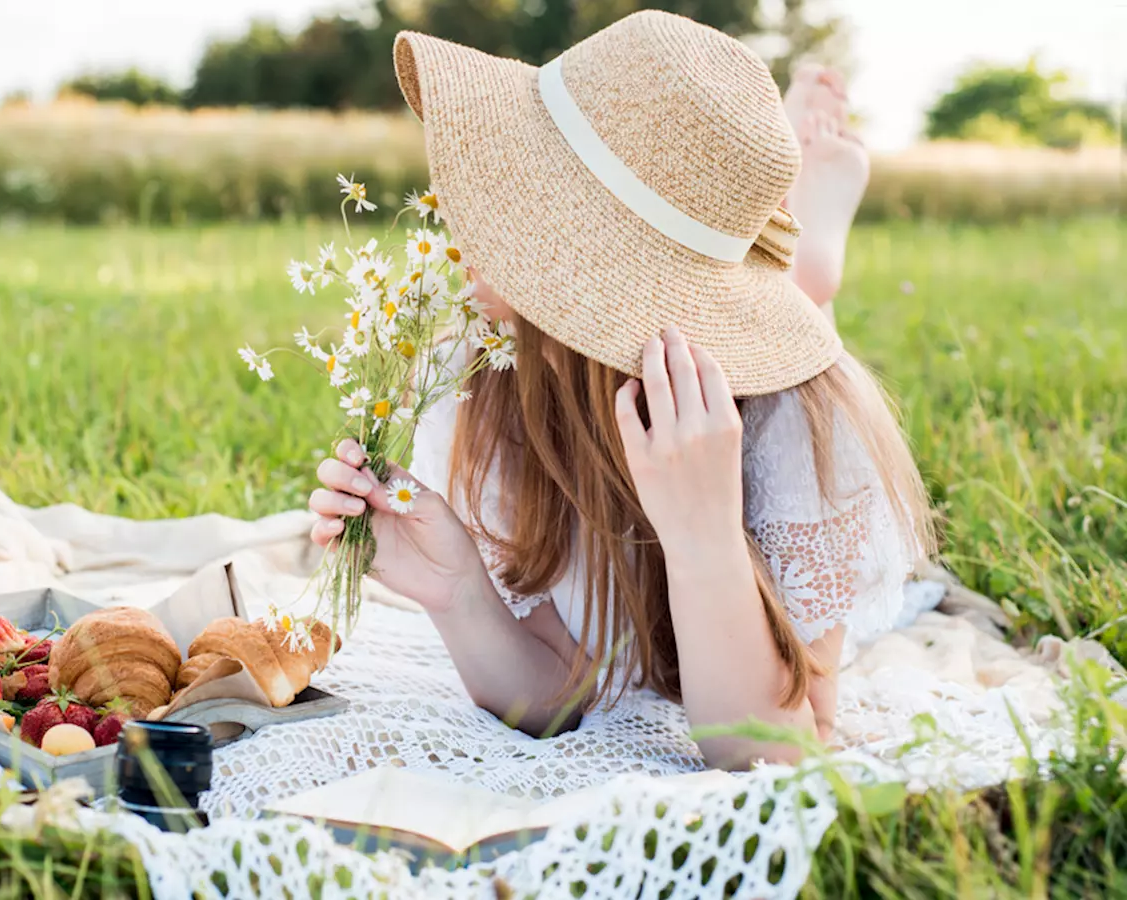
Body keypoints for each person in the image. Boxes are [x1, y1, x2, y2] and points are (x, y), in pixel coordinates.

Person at [307, 11, 935, 769]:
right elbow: (554, 696)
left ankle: (808, 248)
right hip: (632, 345)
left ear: (594, 263)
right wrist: (457, 591)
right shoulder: (487, 379)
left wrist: (703, 535)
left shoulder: (802, 425)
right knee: (750, 301)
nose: (460, 218)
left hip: (750, 400)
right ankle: (790, 248)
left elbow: (782, 745)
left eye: (516, 194)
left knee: (802, 307)